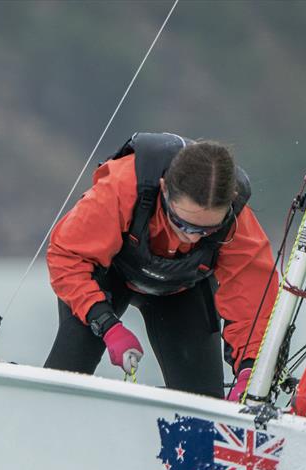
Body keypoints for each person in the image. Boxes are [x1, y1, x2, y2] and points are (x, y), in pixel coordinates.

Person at [44, 132, 277, 401]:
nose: (192, 237)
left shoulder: (238, 224)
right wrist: (107, 325)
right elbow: (67, 256)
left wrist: (250, 369)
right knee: (66, 374)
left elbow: (254, 307)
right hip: (107, 278)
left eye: (207, 229)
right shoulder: (123, 185)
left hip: (182, 290)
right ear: (164, 188)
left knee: (202, 402)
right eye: (183, 224)